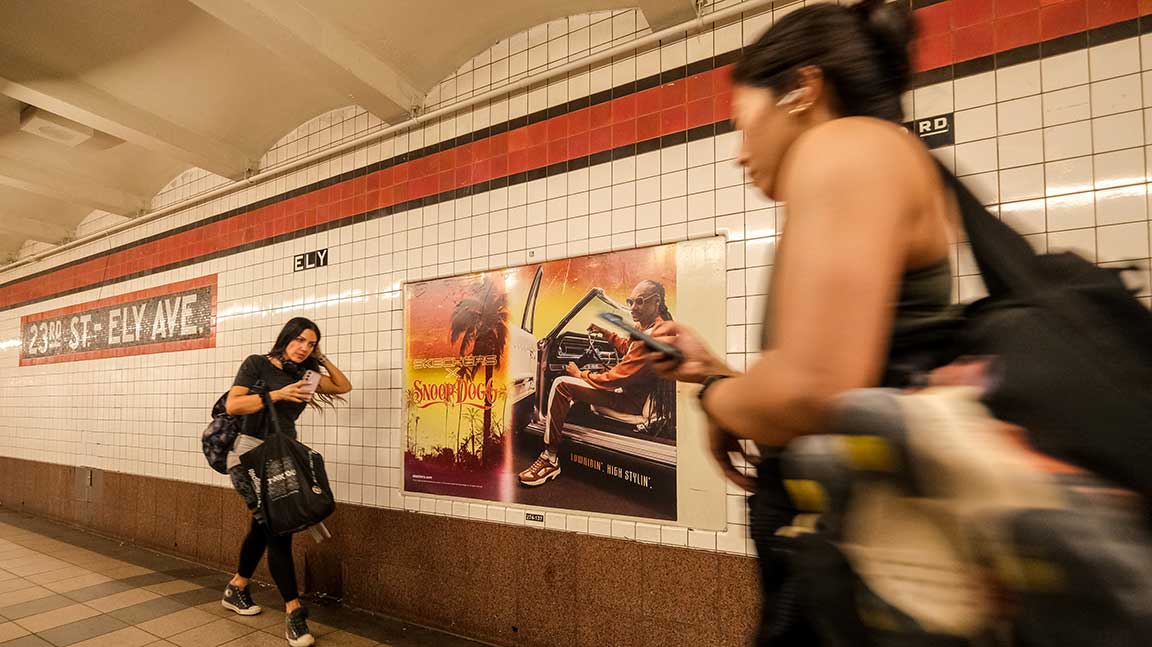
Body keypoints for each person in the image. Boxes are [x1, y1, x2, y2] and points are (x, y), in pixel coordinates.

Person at [645, 1, 961, 644]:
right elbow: (845, 381)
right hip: (851, 554)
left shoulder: (845, 144)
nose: (740, 154)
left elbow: (812, 391)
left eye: (742, 123)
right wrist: (716, 376)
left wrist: (722, 399)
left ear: (802, 90)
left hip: (862, 565)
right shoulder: (878, 155)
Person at [221, 317, 352, 647]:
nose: (303, 348)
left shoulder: (305, 376)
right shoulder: (257, 365)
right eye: (300, 341)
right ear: (286, 338)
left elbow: (343, 386)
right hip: (250, 453)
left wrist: (321, 359)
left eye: (310, 344)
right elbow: (234, 404)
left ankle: (236, 588)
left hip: (283, 456)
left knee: (263, 526)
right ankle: (294, 612)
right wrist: (276, 394)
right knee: (278, 529)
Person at [518, 279, 675, 486]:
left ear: (656, 302)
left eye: (640, 301)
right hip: (637, 395)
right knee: (595, 374)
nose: (632, 308)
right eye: (630, 301)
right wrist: (605, 333)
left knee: (561, 385)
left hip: (629, 402)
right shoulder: (655, 329)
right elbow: (629, 348)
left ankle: (550, 457)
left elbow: (612, 380)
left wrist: (579, 374)